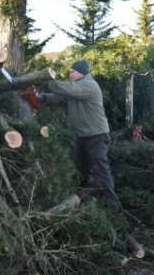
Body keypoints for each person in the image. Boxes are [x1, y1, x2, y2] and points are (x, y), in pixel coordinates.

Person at [38, 59, 120, 211]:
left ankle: (112, 206)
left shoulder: (88, 85)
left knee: (100, 170)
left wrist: (44, 81)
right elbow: (58, 98)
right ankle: (85, 198)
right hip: (83, 136)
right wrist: (40, 97)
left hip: (95, 136)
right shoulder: (77, 88)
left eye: (72, 72)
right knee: (82, 169)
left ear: (81, 72)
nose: (69, 75)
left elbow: (66, 89)